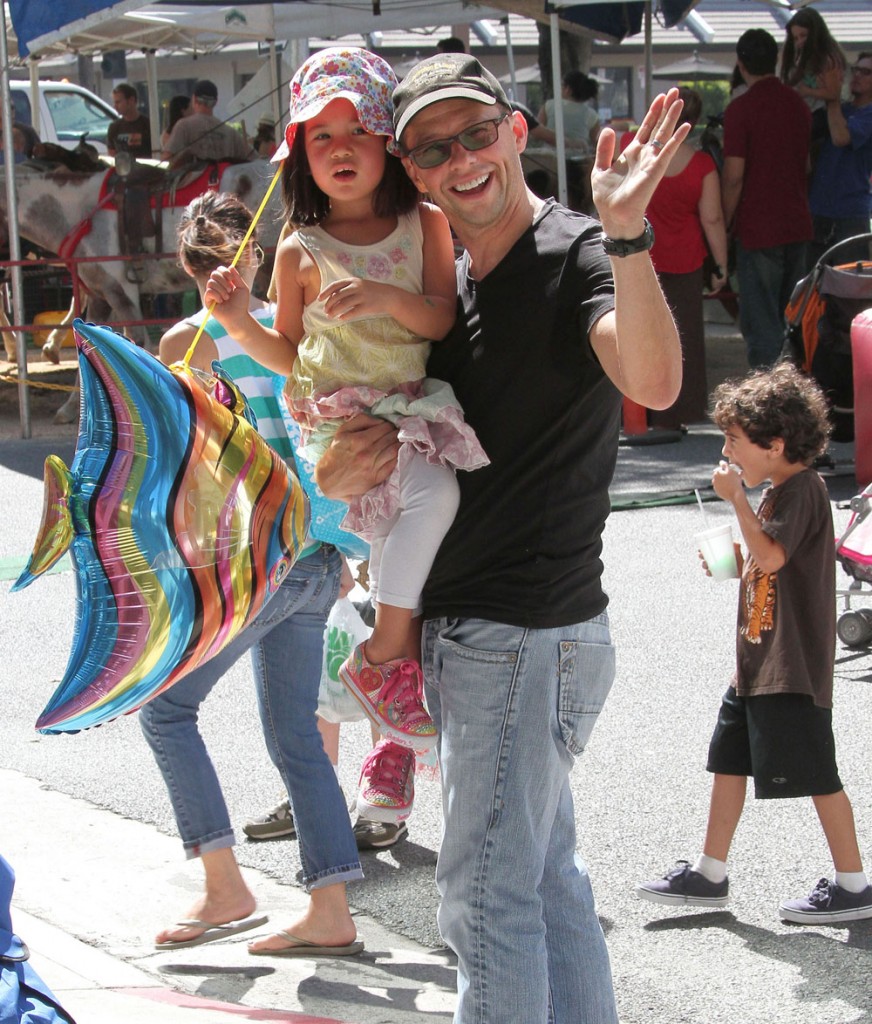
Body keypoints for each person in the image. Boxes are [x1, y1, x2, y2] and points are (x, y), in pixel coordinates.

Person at [314, 51, 688, 1024]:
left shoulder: (578, 256)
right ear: (414, 168)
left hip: (520, 635)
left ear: (514, 133)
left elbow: (650, 380)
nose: (461, 159)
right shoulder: (450, 291)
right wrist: (352, 458)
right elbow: (390, 455)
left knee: (482, 900)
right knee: (541, 881)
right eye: (433, 149)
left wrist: (631, 233)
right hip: (494, 637)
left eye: (476, 134)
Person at [204, 48, 488, 763]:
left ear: (388, 145)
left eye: (356, 130)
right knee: (429, 501)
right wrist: (240, 324)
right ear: (300, 154)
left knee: (410, 524)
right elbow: (289, 354)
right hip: (333, 423)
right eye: (320, 136)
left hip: (408, 408)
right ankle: (386, 662)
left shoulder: (424, 222)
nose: (339, 149)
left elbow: (441, 320)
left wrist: (388, 298)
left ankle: (383, 679)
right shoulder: (298, 247)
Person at [139, 190, 364, 958]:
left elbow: (175, 464)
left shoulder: (186, 342)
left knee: (166, 712)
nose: (211, 276)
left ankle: (225, 883)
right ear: (255, 258)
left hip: (255, 557)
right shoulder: (294, 336)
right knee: (297, 735)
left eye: (206, 263)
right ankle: (329, 905)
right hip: (315, 549)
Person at [636, 363, 872, 925]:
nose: (727, 450)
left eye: (735, 440)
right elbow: (767, 561)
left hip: (790, 667)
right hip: (757, 663)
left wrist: (736, 502)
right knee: (728, 763)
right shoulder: (777, 493)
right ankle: (709, 872)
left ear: (776, 443)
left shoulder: (802, 489)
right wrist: (736, 561)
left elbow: (775, 556)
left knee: (818, 773)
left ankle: (854, 885)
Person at [632, 87, 730, 429]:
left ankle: (636, 414)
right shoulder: (702, 164)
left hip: (639, 255)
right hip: (685, 260)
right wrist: (722, 265)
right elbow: (712, 218)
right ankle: (680, 413)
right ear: (696, 121)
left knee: (637, 336)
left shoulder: (635, 150)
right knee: (683, 338)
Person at [722, 29, 813, 369]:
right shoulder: (798, 105)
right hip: (797, 221)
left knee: (761, 323)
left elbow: (733, 176)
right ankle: (794, 392)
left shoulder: (740, 110)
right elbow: (806, 164)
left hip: (758, 225)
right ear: (775, 60)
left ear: (740, 64)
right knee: (792, 320)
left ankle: (768, 401)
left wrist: (725, 222)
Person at [808, 52, 872, 258]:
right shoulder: (841, 109)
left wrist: (831, 96)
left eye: (866, 72)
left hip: (851, 213)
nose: (857, 75)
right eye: (856, 70)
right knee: (815, 285)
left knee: (849, 287)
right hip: (819, 209)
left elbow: (841, 137)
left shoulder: (868, 114)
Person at [162, 79, 254, 168]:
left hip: (194, 183)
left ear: (194, 99)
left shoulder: (183, 126)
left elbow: (167, 160)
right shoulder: (231, 133)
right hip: (223, 182)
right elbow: (253, 158)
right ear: (216, 102)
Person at [780, 8, 847, 116]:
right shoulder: (803, 58)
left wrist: (807, 91)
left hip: (823, 116)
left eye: (803, 35)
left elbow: (834, 93)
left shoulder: (828, 59)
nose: (799, 42)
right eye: (796, 38)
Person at [537, 69, 601, 153]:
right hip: (579, 158)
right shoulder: (592, 115)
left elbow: (537, 129)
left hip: (550, 157)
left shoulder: (549, 105)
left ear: (568, 89)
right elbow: (596, 142)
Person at [106, 82, 152, 158]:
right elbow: (111, 155)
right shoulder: (114, 127)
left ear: (131, 100)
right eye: (114, 102)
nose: (115, 106)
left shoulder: (148, 124)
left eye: (118, 102)